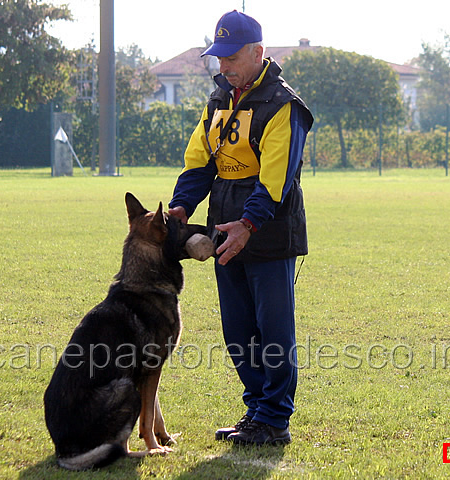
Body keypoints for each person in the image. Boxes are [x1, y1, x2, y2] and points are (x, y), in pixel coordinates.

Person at [168, 10, 313, 446]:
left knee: (273, 330)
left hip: (268, 229)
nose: (223, 67)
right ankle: (256, 411)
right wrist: (180, 206)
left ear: (258, 53)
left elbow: (274, 180)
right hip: (222, 227)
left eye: (231, 58)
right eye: (218, 58)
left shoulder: (285, 106)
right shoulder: (217, 102)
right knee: (237, 328)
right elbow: (199, 161)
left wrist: (247, 224)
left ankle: (274, 419)